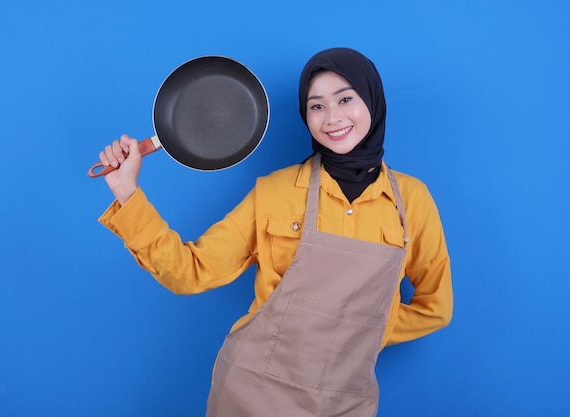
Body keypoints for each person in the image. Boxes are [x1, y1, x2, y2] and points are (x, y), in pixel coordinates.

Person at [96, 47, 453, 417]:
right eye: (317, 106)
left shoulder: (411, 200)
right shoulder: (274, 192)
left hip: (348, 401)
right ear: (305, 115)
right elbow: (190, 272)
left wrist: (362, 329)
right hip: (252, 393)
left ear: (372, 101)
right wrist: (127, 192)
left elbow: (436, 309)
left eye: (345, 99)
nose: (332, 117)